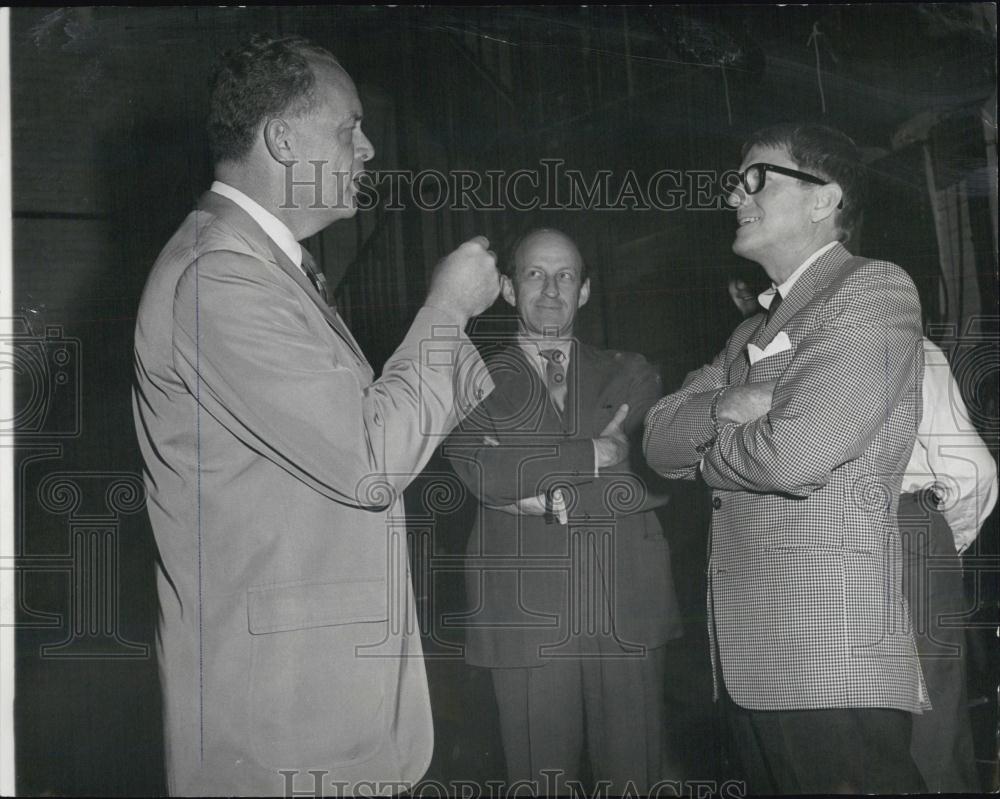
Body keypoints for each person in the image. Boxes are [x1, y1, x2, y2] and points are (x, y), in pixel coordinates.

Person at [132, 35, 499, 796]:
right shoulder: (220, 278)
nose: (367, 149)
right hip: (281, 722)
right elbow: (370, 461)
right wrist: (447, 308)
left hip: (312, 697)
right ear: (280, 137)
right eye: (349, 127)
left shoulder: (262, 269)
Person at [643, 123, 928, 794]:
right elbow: (656, 442)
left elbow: (794, 455)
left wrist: (711, 447)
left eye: (756, 179)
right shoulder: (748, 331)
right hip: (752, 663)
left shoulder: (872, 291)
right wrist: (731, 404)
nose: (735, 196)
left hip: (828, 657)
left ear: (823, 198)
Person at [721, 190, 999, 795]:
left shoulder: (889, 338)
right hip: (818, 554)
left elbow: (973, 473)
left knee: (926, 740)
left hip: (904, 538)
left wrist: (926, 541)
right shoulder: (755, 354)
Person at [445, 228, 683, 795]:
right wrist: (592, 454)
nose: (550, 290)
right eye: (534, 274)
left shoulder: (632, 371)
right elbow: (482, 472)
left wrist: (552, 492)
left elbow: (653, 475)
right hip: (526, 613)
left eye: (565, 276)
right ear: (506, 288)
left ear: (584, 292)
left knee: (635, 781)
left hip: (625, 605)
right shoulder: (467, 376)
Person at [899, 336, 997, 793]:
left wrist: (940, 541)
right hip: (908, 535)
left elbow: (972, 472)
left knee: (928, 728)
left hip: (905, 529)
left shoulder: (902, 341)